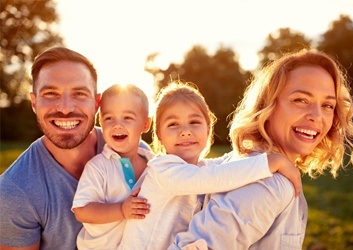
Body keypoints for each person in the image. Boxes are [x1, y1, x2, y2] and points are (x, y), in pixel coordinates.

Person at [170, 49, 353, 249]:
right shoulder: (267, 185)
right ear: (268, 106)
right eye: (301, 100)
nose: (317, 115)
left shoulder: (242, 163)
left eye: (328, 105)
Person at [119, 81, 302, 250]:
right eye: (173, 124)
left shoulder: (198, 168)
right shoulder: (163, 169)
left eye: (194, 122)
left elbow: (224, 165)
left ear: (208, 127)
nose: (185, 131)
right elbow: (215, 176)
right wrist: (270, 163)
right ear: (159, 135)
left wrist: (259, 152)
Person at [0, 47, 148, 249]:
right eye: (51, 93)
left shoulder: (134, 150)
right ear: (34, 102)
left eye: (79, 93)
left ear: (97, 103)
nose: (65, 108)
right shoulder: (15, 191)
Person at [72, 84, 154, 250]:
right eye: (109, 118)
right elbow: (81, 210)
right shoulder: (98, 167)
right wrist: (121, 210)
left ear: (145, 124)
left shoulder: (153, 165)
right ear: (100, 122)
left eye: (128, 118)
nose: (117, 125)